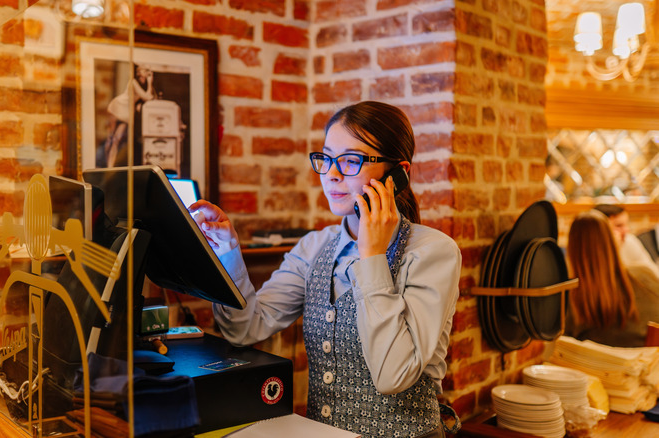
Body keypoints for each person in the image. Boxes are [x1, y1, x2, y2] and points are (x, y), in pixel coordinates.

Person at [189, 101, 461, 437]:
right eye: (327, 158)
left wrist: (372, 255)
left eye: (350, 160)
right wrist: (227, 252)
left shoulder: (433, 252)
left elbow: (394, 375)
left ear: (398, 173)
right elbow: (245, 330)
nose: (331, 173)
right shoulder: (314, 246)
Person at [565, 210, 659, 348]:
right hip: (647, 364)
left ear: (572, 249)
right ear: (611, 241)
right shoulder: (644, 275)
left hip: (599, 366)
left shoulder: (572, 297)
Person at [101, 63, 155, 167]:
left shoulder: (142, 86)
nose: (143, 74)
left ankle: (110, 166)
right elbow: (147, 97)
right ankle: (107, 164)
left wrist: (149, 83)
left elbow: (150, 96)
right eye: (142, 72)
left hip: (126, 114)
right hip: (119, 107)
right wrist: (149, 83)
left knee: (118, 139)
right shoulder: (134, 82)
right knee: (111, 138)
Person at [593, 204, 659, 277]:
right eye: (618, 225)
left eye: (626, 224)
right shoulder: (589, 248)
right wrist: (615, 250)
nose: (627, 230)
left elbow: (653, 273)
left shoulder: (629, 240)